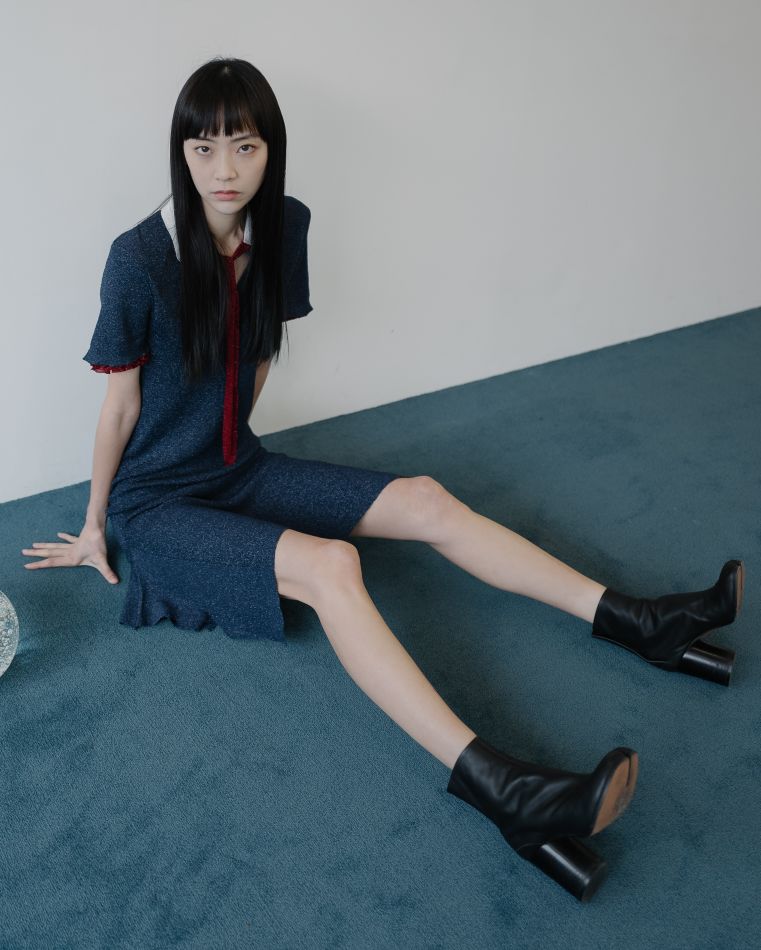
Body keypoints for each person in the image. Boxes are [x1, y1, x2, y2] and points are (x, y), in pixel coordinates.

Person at [20, 57, 744, 902]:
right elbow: (118, 407)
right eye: (203, 147)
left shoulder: (282, 225)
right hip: (158, 503)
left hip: (236, 466)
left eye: (245, 146)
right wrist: (98, 523)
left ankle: (638, 622)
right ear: (179, 152)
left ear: (270, 149)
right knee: (332, 566)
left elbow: (258, 352)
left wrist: (230, 439)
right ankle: (500, 788)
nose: (224, 169)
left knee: (426, 499)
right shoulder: (139, 258)